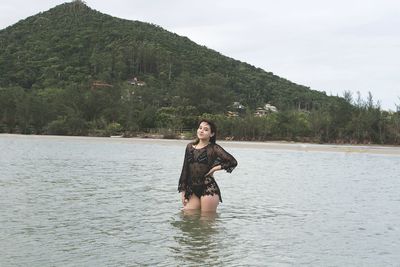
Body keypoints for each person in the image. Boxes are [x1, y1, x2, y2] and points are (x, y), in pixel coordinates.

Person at [178, 119, 237, 212]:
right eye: (200, 128)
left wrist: (214, 169)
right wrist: (183, 192)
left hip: (208, 188)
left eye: (205, 129)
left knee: (206, 223)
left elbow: (232, 162)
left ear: (212, 134)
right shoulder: (189, 147)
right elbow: (185, 170)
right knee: (187, 216)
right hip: (191, 189)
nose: (201, 130)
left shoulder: (214, 148)